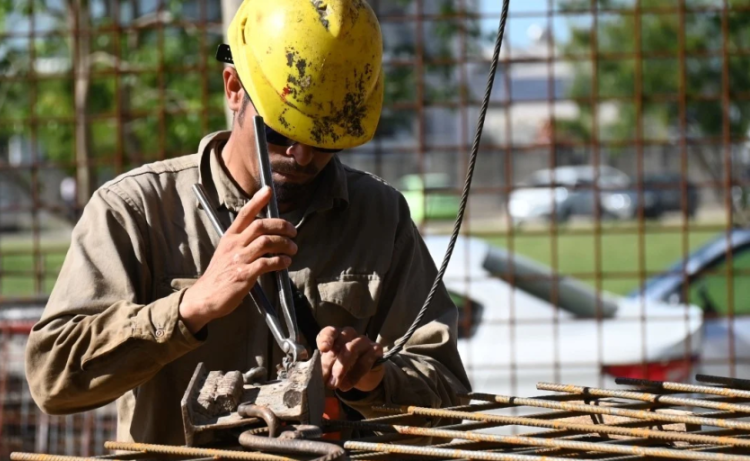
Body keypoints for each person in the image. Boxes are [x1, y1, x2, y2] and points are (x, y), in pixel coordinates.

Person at [25, 0, 471, 445]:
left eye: (325, 140)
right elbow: (52, 380)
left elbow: (448, 398)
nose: (302, 156)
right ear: (234, 87)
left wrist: (374, 379)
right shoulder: (137, 211)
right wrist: (189, 308)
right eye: (280, 133)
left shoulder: (379, 216)